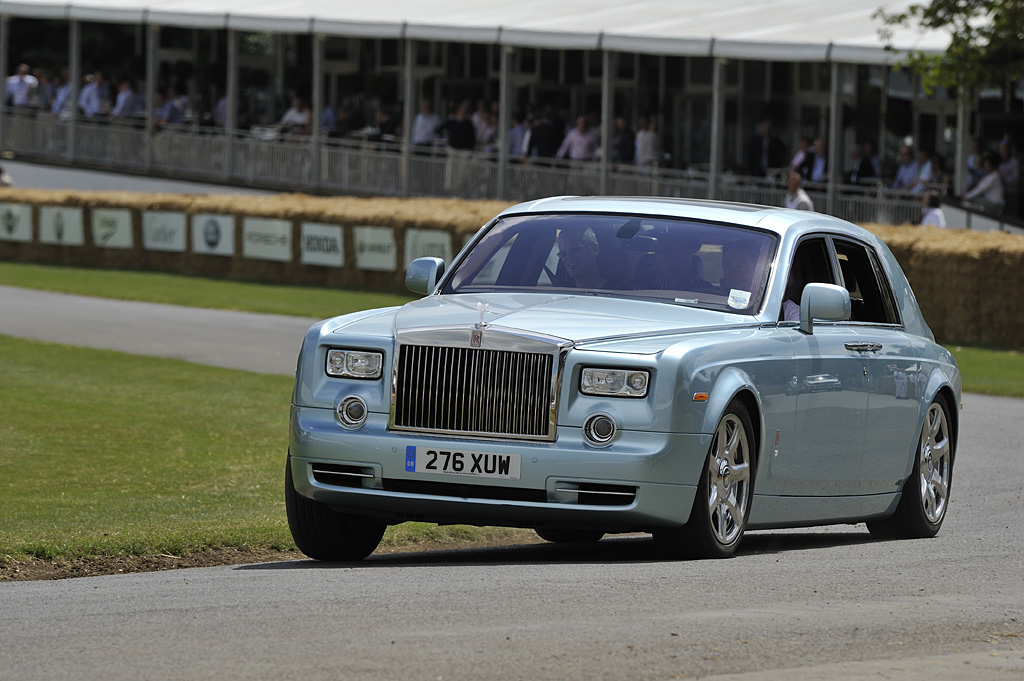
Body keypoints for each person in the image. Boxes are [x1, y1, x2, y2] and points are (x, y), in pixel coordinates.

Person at [633, 229, 710, 291]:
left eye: (671, 249)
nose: (663, 255)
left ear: (688, 252)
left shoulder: (706, 291)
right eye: (660, 250)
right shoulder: (641, 286)